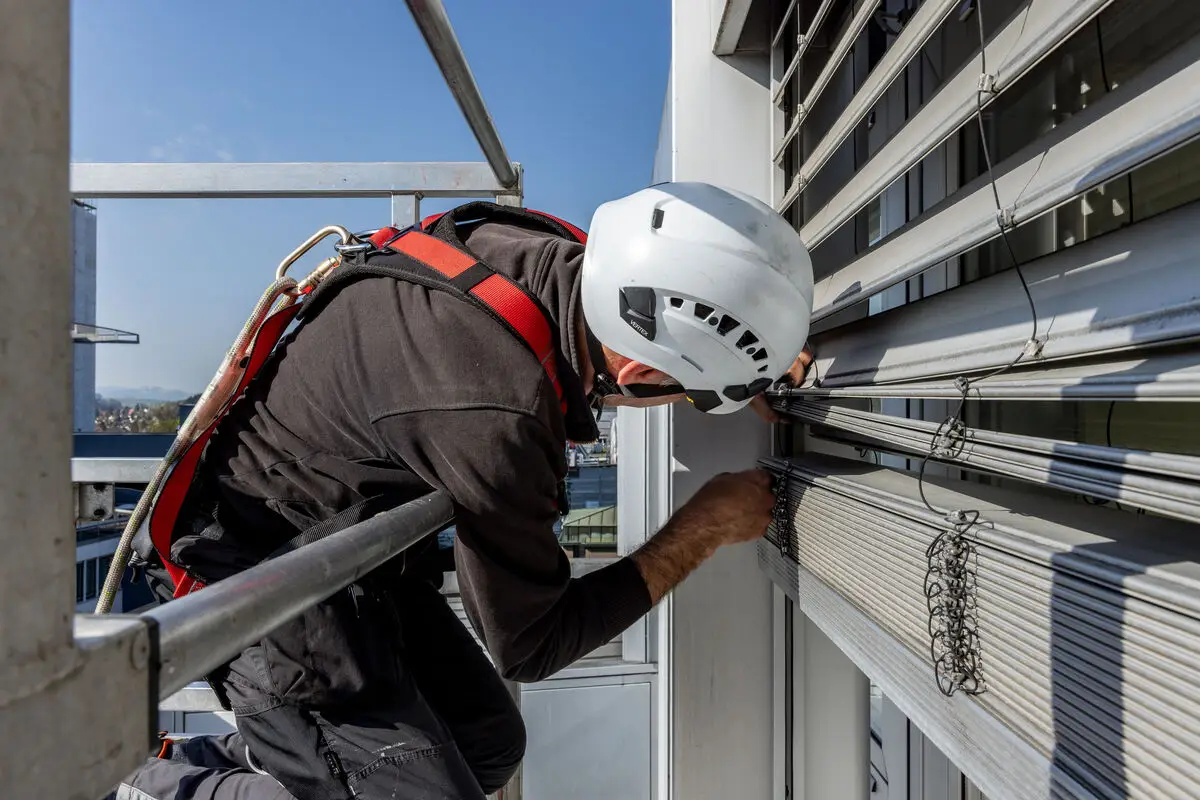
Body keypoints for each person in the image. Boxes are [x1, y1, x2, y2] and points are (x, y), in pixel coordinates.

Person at [110, 181, 814, 800]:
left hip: (343, 547)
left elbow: (606, 368)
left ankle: (243, 765)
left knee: (486, 747)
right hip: (255, 576)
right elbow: (531, 645)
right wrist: (703, 528)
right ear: (644, 376)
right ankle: (160, 791)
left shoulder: (544, 252)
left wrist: (733, 364)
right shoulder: (496, 416)